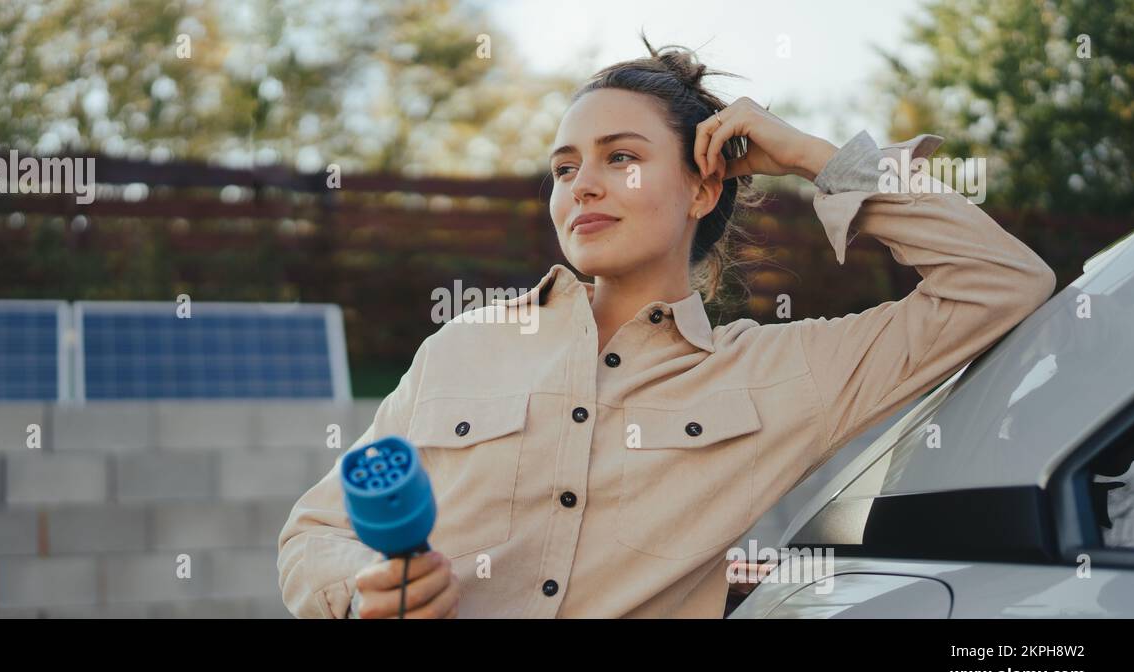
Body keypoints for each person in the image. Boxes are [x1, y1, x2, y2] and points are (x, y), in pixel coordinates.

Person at [276, 34, 1056, 619]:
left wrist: (816, 157)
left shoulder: (784, 375)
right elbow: (311, 532)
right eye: (563, 167)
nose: (583, 184)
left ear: (700, 188)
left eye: (621, 157)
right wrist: (361, 589)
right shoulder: (461, 347)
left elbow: (1000, 282)